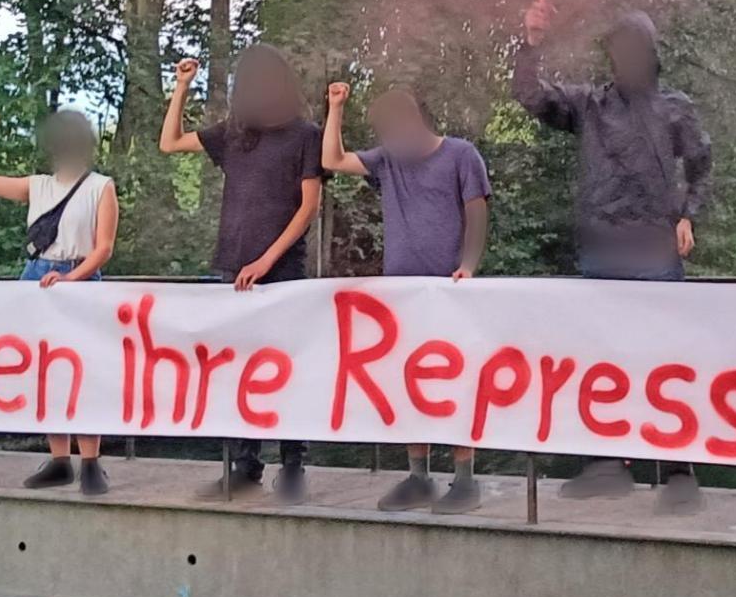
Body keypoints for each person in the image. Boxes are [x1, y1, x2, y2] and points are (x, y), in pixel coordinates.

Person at [514, 0, 712, 508]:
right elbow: (531, 96)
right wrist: (532, 44)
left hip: (655, 250)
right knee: (603, 360)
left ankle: (678, 471)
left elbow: (700, 164)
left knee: (665, 358)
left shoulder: (675, 107)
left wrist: (688, 212)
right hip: (600, 249)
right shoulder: (590, 105)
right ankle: (608, 462)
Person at [161, 45, 323, 499]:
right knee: (235, 369)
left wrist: (267, 260)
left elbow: (309, 205)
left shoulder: (305, 134)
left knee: (285, 367)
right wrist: (181, 86)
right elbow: (170, 143)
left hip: (282, 270)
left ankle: (293, 464)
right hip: (230, 269)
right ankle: (243, 462)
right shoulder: (234, 134)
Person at [323, 79, 492, 512]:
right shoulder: (387, 161)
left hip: (450, 292)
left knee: (452, 382)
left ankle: (465, 480)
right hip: (403, 298)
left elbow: (477, 214)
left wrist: (468, 267)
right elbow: (332, 159)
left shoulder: (460, 155)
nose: (391, 142)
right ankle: (419, 477)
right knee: (409, 386)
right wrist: (336, 107)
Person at [0, 104, 120, 495]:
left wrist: (72, 278)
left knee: (84, 373)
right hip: (38, 278)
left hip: (79, 277)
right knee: (46, 374)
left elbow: (102, 249)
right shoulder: (38, 185)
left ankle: (90, 461)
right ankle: (59, 459)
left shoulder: (100, 186)